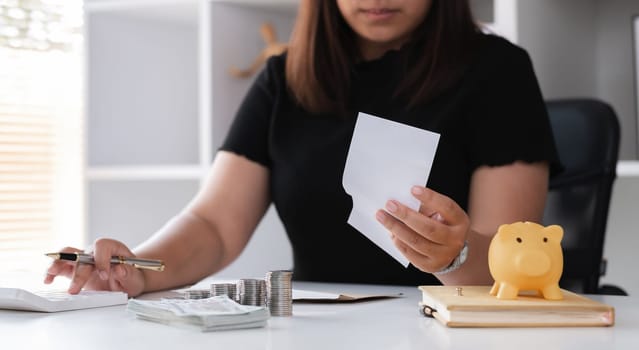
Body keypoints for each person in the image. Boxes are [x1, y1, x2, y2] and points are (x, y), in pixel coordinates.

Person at [45, 0, 560, 297]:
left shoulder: (498, 72)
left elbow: (509, 259)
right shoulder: (284, 78)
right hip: (315, 327)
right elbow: (215, 227)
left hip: (444, 328)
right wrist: (136, 268)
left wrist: (456, 254)